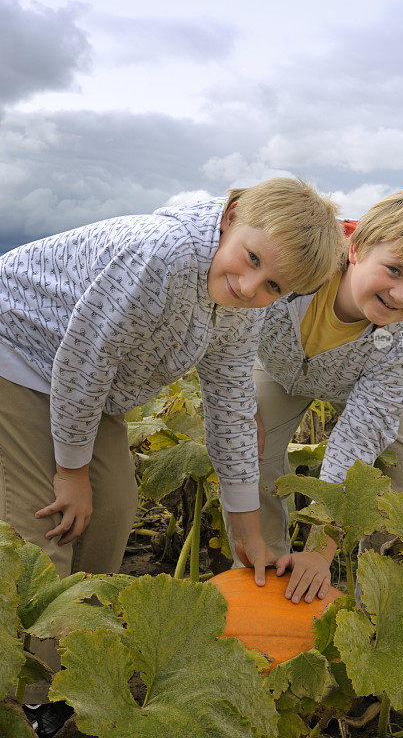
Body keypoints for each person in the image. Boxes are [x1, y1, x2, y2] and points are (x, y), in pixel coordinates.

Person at [0, 177, 342, 732]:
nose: (249, 284)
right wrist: (70, 472)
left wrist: (247, 533)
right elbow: (83, 359)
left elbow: (231, 403)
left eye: (273, 285)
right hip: (15, 349)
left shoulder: (240, 305)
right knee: (48, 523)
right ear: (231, 216)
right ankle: (31, 698)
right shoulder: (163, 252)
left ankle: (76, 670)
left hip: (84, 388)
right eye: (250, 258)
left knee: (111, 510)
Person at [225, 191, 403, 604]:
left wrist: (322, 550)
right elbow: (230, 330)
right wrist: (241, 403)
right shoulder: (297, 260)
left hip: (360, 383)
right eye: (393, 270)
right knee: (249, 448)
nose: (401, 295)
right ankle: (266, 586)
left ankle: (385, 608)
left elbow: (357, 439)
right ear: (355, 249)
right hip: (278, 370)